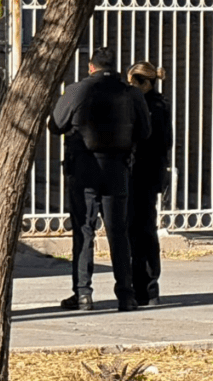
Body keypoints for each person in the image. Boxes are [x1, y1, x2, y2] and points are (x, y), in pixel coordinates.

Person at [49, 47, 151, 312]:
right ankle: (126, 295)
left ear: (90, 67)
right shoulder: (131, 93)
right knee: (119, 233)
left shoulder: (76, 90)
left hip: (83, 168)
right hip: (117, 168)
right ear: (116, 68)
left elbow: (55, 125)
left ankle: (83, 294)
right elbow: (145, 131)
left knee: (84, 230)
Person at [127, 61, 173, 307]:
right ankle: (150, 288)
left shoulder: (143, 105)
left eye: (132, 82)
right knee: (146, 230)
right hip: (152, 174)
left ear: (144, 83)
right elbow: (167, 143)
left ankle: (141, 286)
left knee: (136, 232)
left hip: (137, 173)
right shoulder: (162, 104)